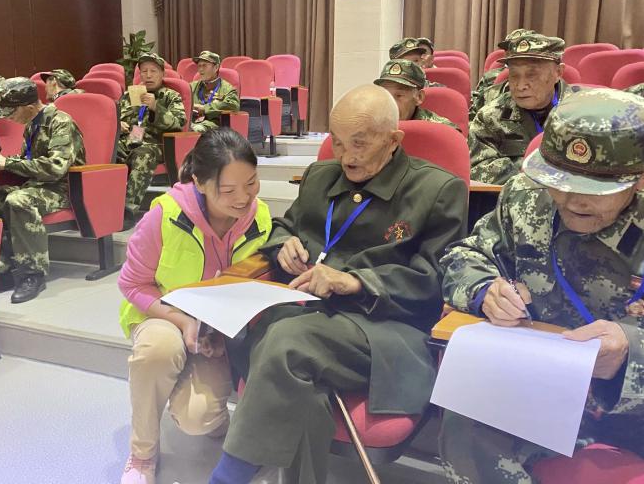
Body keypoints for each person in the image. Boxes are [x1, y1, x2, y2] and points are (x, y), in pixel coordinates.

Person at [208, 84, 468, 484]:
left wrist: (356, 282)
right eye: (339, 142)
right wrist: (283, 245)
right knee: (293, 372)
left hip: (384, 329)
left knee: (286, 343)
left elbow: (435, 280)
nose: (346, 156)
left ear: (393, 140)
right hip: (309, 312)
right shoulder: (320, 176)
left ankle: (228, 477)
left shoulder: (437, 190)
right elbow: (284, 226)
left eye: (359, 144)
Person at [439, 88, 644, 483]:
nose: (571, 200)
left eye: (594, 189)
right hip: (542, 386)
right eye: (559, 182)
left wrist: (630, 351)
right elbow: (465, 255)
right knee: (467, 420)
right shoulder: (526, 198)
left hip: (631, 405)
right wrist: (484, 289)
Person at [117, 128, 272, 484]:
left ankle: (209, 410)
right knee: (158, 350)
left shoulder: (260, 218)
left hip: (215, 329)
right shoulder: (166, 214)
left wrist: (220, 332)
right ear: (199, 183)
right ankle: (142, 455)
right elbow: (132, 284)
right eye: (228, 190)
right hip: (162, 314)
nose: (244, 198)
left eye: (251, 183)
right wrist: (184, 322)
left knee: (198, 418)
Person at [0, 77, 85, 303]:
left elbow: (56, 168)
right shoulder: (32, 123)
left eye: (11, 112)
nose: (8, 118)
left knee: (19, 200)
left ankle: (32, 274)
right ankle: (2, 269)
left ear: (30, 107)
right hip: (36, 185)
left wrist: (9, 163)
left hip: (64, 188)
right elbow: (29, 160)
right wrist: (4, 162)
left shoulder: (61, 122)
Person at [469, 31, 582, 185]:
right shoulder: (491, 117)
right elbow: (477, 168)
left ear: (558, 73)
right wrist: (542, 170)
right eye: (514, 75)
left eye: (532, 75)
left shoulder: (584, 113)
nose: (521, 86)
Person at [117, 53, 185, 225]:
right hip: (129, 140)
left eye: (153, 71)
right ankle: (103, 207)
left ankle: (127, 210)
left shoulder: (171, 96)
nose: (148, 75)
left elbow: (178, 123)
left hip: (156, 144)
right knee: (109, 151)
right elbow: (115, 118)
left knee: (143, 154)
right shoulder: (131, 94)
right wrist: (118, 124)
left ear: (162, 74)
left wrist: (156, 107)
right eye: (144, 71)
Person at [374, 59, 460, 131]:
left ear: (419, 97)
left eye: (399, 95)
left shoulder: (442, 132)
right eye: (386, 95)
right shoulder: (373, 124)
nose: (390, 103)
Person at [469, 28, 536, 120]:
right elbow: (475, 112)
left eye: (519, 47)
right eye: (508, 48)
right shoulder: (490, 78)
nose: (511, 52)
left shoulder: (546, 87)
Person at [189, 51, 239, 133]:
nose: (200, 69)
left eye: (204, 65)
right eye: (199, 66)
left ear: (216, 67)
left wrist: (204, 108)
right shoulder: (191, 87)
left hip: (214, 125)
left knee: (195, 130)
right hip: (192, 122)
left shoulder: (227, 89)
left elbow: (233, 106)